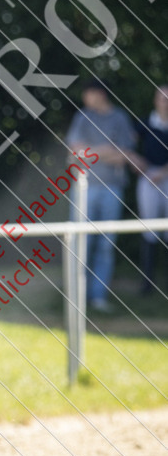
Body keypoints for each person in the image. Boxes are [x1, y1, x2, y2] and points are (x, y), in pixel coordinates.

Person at [66, 78, 137, 313]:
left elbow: (125, 156)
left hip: (113, 188)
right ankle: (76, 297)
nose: (85, 98)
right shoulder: (82, 117)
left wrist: (91, 153)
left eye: (88, 93)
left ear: (100, 94)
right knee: (81, 242)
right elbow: (75, 151)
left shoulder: (120, 118)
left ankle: (98, 297)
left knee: (106, 245)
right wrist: (107, 150)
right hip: (84, 189)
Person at [134, 84, 168, 294]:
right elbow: (128, 143)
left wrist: (163, 173)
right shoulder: (146, 123)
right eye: (163, 98)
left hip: (165, 176)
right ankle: (147, 284)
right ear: (156, 101)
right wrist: (137, 162)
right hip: (148, 180)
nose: (166, 103)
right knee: (149, 229)